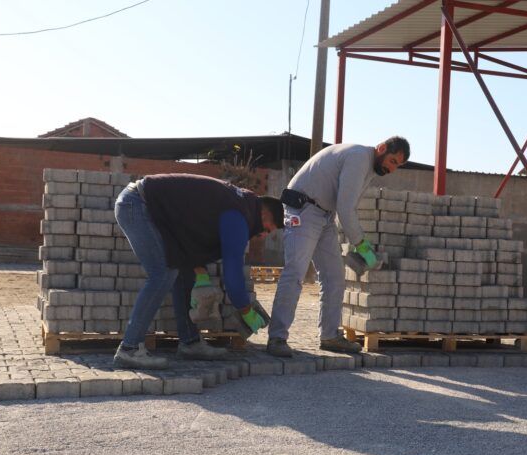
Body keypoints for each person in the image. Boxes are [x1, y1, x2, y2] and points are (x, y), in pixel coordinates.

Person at [113, 173, 284, 369]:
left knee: (183, 271)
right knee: (163, 274)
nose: (263, 235)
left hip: (148, 208)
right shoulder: (239, 215)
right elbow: (233, 275)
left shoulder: (241, 203)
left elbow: (192, 229)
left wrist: (200, 271)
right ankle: (130, 348)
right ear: (264, 215)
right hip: (137, 205)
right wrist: (246, 310)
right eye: (268, 230)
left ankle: (190, 343)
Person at [267, 136, 410, 357]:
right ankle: (277, 338)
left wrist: (356, 242)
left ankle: (329, 336)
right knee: (295, 272)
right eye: (392, 161)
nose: (392, 169)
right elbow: (345, 207)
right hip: (303, 209)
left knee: (334, 277)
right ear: (381, 148)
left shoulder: (369, 168)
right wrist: (361, 244)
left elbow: (346, 206)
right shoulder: (359, 158)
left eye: (397, 166)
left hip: (324, 215)